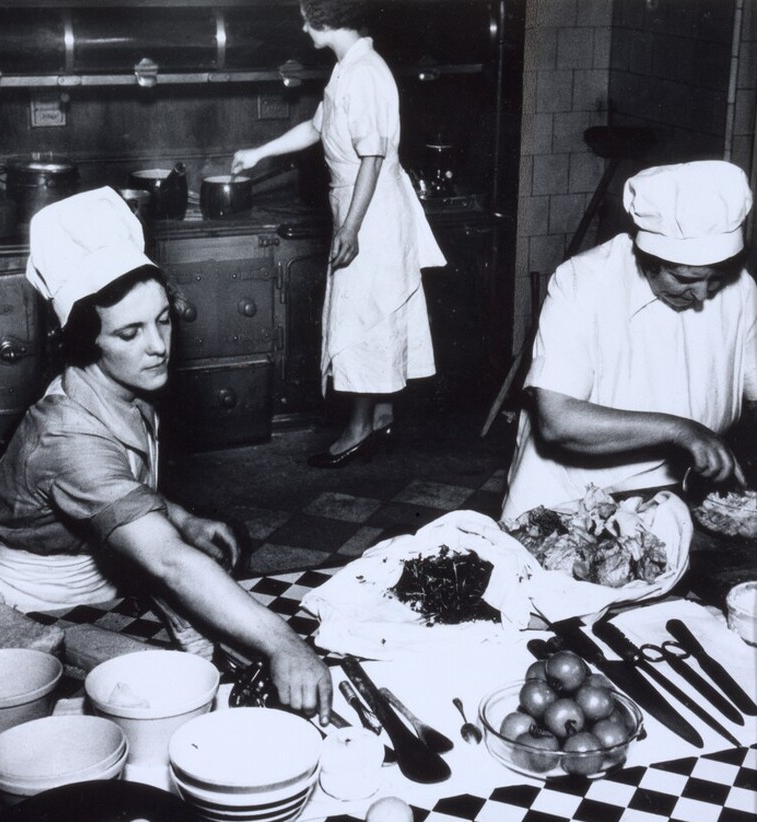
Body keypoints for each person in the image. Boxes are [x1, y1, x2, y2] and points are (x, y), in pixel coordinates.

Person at [0, 187, 332, 723]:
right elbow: (166, 560)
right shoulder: (66, 435)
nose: (158, 345)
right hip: (19, 619)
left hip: (103, 590)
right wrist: (284, 644)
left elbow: (124, 486)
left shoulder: (124, 386)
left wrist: (182, 517)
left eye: (164, 319)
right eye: (129, 332)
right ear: (86, 342)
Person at [232, 0, 446, 468]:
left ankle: (357, 430)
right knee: (372, 314)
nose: (302, 24)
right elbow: (316, 127)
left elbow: (372, 157)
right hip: (361, 204)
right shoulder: (349, 69)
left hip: (369, 211)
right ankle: (379, 417)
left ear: (324, 20)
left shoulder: (366, 73)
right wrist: (258, 153)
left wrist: (351, 226)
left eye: (307, 15)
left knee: (361, 320)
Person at [501, 160, 757, 522]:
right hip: (569, 502)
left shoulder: (742, 289)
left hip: (674, 495)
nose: (701, 295)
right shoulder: (583, 282)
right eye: (685, 280)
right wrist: (681, 430)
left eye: (714, 278)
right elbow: (558, 420)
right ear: (647, 260)